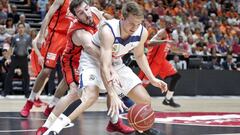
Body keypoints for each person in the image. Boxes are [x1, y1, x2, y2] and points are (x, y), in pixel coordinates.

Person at [36, 0, 134, 135]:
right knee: (74, 93)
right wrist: (111, 65)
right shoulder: (78, 31)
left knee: (112, 83)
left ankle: (115, 122)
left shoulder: (93, 12)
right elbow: (90, 48)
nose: (86, 14)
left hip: (94, 56)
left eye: (86, 9)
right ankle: (46, 126)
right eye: (81, 13)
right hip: (74, 60)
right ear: (76, 17)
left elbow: (105, 19)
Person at [96, 1, 167, 135]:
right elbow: (104, 65)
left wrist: (152, 79)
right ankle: (53, 121)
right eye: (131, 23)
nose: (135, 27)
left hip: (116, 62)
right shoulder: (109, 31)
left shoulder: (141, 32)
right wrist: (111, 91)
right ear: (122, 18)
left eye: (138, 24)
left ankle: (142, 129)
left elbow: (140, 55)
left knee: (145, 100)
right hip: (94, 60)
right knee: (86, 96)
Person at [20, 0, 73, 117]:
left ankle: (52, 105)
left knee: (68, 76)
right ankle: (30, 101)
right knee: (46, 71)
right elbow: (48, 16)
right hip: (56, 36)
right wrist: (41, 35)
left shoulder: (82, 3)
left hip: (71, 38)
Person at [138, 18, 189, 108]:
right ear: (165, 25)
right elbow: (150, 43)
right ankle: (125, 98)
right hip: (152, 62)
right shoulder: (162, 33)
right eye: (169, 24)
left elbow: (173, 49)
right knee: (141, 85)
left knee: (176, 76)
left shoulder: (169, 36)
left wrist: (183, 52)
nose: (171, 26)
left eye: (172, 24)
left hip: (162, 62)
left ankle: (168, 99)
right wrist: (164, 41)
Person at [2, 23, 31, 97]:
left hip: (24, 58)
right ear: (17, 29)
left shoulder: (28, 37)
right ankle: (5, 92)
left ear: (24, 29)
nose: (21, 29)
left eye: (22, 27)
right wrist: (8, 58)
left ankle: (27, 93)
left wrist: (30, 56)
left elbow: (31, 47)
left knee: (26, 76)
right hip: (15, 57)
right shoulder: (14, 37)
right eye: (19, 28)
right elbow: (11, 48)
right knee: (9, 75)